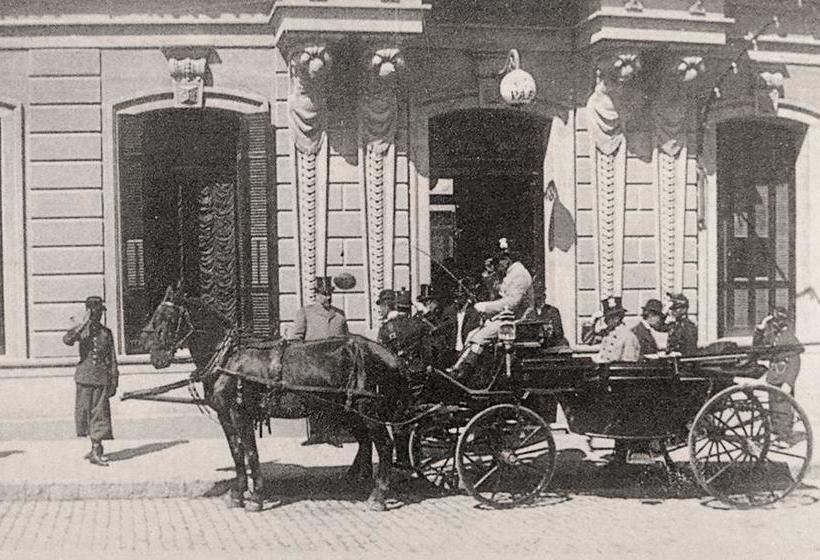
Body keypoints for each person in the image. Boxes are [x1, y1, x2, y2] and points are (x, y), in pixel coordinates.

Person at [449, 238, 534, 377]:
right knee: (471, 335)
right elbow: (498, 292)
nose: (496, 265)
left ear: (506, 260)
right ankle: (459, 368)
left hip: (517, 321)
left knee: (480, 337)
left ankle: (465, 373)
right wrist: (490, 276)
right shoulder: (511, 274)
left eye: (497, 262)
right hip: (505, 319)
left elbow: (511, 303)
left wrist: (485, 307)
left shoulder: (520, 275)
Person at [289, 276, 349, 447]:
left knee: (335, 399)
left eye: (330, 294)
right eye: (324, 294)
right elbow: (296, 338)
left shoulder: (340, 315)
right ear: (316, 295)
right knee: (312, 398)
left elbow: (346, 339)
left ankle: (333, 433)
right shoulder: (305, 312)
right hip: (312, 365)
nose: (328, 297)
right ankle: (316, 433)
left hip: (335, 365)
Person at [63, 296, 119, 467]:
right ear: (89, 312)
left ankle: (96, 448)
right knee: (83, 413)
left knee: (99, 413)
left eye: (100, 312)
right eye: (95, 312)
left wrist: (114, 379)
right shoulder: (81, 331)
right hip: (84, 377)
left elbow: (112, 358)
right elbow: (68, 340)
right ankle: (94, 446)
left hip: (101, 378)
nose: (99, 315)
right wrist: (83, 323)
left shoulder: (106, 332)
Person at [753, 306, 805, 446]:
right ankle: (777, 434)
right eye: (773, 321)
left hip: (783, 378)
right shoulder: (773, 336)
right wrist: (761, 329)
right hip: (774, 377)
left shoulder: (789, 337)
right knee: (773, 407)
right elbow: (757, 349)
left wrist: (789, 382)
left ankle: (785, 437)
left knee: (783, 409)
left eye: (777, 321)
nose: (774, 324)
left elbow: (795, 362)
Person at [591, 296, 640, 364]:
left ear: (617, 319)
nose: (605, 321)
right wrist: (593, 321)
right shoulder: (606, 333)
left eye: (607, 318)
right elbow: (588, 341)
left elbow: (628, 363)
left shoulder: (628, 337)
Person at [523, 285, 569, 349]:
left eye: (540, 297)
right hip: (535, 346)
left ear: (544, 297)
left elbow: (559, 332)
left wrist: (547, 332)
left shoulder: (553, 311)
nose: (538, 301)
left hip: (550, 345)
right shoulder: (530, 313)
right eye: (536, 298)